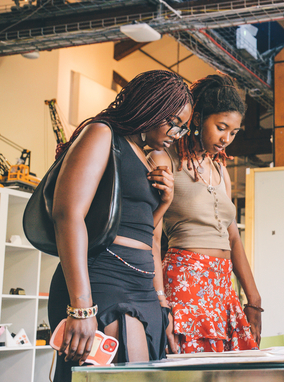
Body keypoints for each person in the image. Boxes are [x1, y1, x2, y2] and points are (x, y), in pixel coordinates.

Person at [48, 70, 193, 381]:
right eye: (174, 123)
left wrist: (161, 301)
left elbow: (148, 240)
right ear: (150, 107)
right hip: (103, 280)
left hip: (143, 287)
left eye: (182, 130)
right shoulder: (102, 134)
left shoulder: (151, 158)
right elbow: (67, 214)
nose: (175, 134)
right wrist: (82, 308)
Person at [149, 74, 262, 353]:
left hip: (223, 285)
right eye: (221, 127)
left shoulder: (221, 171)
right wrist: (160, 299)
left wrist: (254, 298)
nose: (227, 139)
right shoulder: (166, 159)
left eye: (234, 132)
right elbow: (150, 235)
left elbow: (233, 239)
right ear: (198, 119)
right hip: (185, 280)